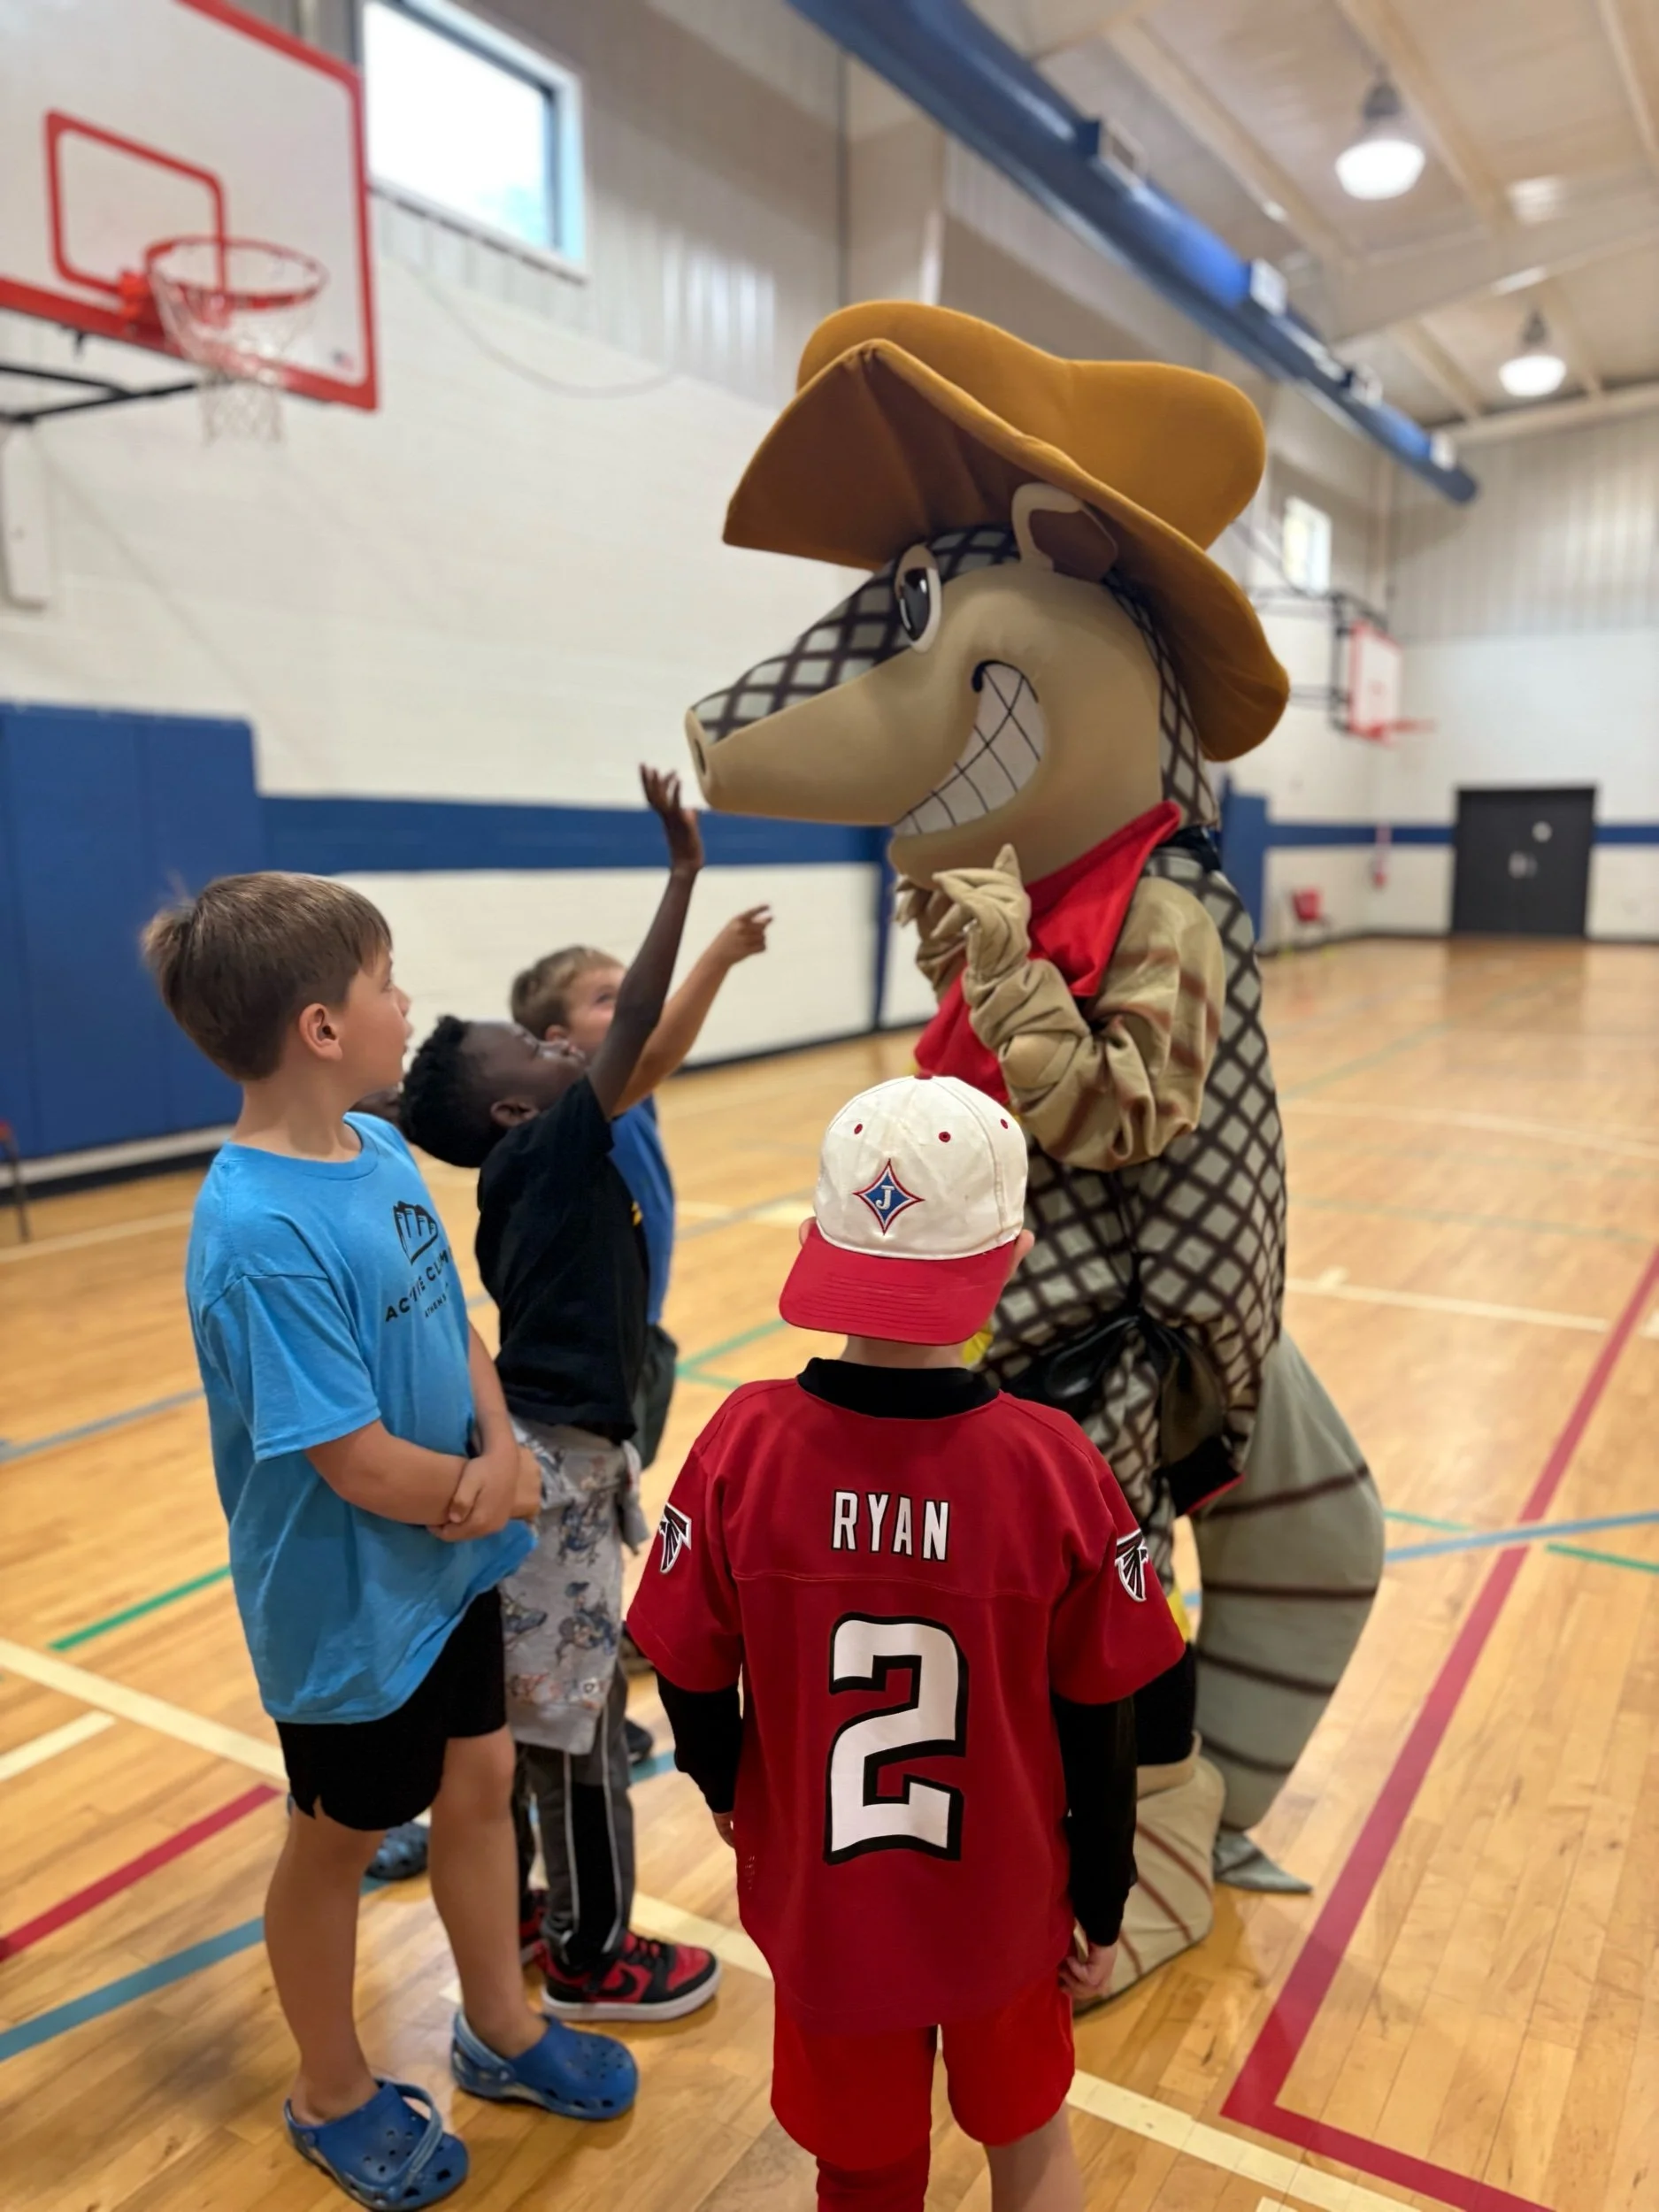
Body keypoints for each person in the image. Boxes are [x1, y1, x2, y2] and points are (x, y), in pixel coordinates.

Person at [145, 872, 635, 2212]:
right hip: (348, 1607)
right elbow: (348, 1458)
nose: (405, 1003)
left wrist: (498, 1446)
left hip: (449, 1564)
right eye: (384, 981)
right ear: (319, 1026)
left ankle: (503, 2025)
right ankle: (332, 2087)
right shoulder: (254, 1234)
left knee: (478, 1790)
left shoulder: (378, 1153)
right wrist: (493, 1494)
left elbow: (451, 1327)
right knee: (336, 1840)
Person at [627, 1073, 1186, 2212]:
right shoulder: (1052, 1463)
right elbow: (1102, 1708)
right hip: (1004, 1900)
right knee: (1028, 2137)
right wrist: (1105, 1886)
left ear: (820, 1241)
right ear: (1013, 1254)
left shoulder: (745, 1443)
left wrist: (724, 1774)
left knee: (863, 2167)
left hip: (829, 1911)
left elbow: (684, 1657)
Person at [399, 768, 721, 2029]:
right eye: (541, 1047)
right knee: (578, 1722)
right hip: (564, 1465)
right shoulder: (551, 1144)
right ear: (523, 1108)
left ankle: (539, 1913)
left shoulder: (505, 1183)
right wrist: (681, 872)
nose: (567, 1045)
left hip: (560, 1450)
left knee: (541, 1708)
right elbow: (636, 1014)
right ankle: (592, 1957)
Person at [506, 903, 770, 1470]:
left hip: (640, 1328)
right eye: (607, 1000)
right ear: (560, 1042)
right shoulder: (571, 1111)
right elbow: (654, 1041)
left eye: (630, 991)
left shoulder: (635, 1092)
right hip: (593, 1352)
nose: (630, 1006)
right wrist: (717, 955)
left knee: (627, 1477)